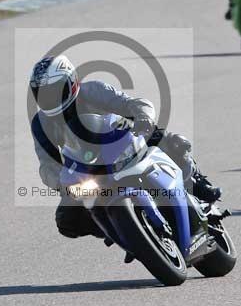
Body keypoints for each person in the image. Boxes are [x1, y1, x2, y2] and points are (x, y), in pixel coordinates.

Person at [28, 55, 221, 239]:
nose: (49, 97)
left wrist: (143, 118)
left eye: (54, 90)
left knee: (169, 140)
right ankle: (120, 230)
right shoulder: (41, 123)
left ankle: (196, 183)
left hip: (124, 142)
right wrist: (61, 183)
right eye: (42, 93)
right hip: (88, 169)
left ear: (71, 82)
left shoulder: (93, 90)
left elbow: (132, 104)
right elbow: (46, 164)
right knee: (66, 221)